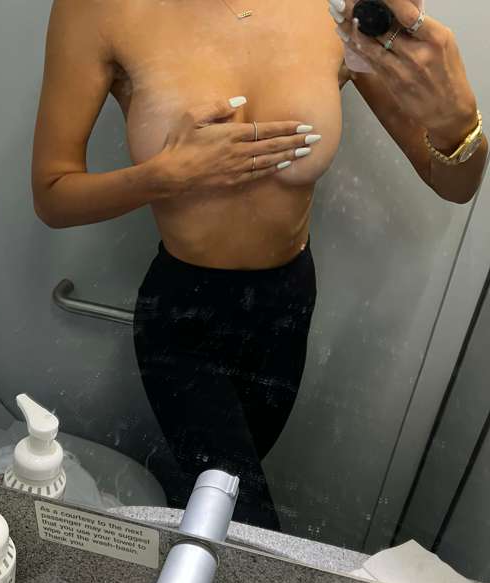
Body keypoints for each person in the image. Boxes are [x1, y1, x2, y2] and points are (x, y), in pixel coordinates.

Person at [32, 0, 487, 529]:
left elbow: (454, 185)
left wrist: (459, 122)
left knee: (219, 499)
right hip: (184, 318)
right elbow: (52, 195)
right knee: (243, 518)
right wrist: (164, 176)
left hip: (285, 312)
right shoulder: (100, 9)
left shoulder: (337, 9)